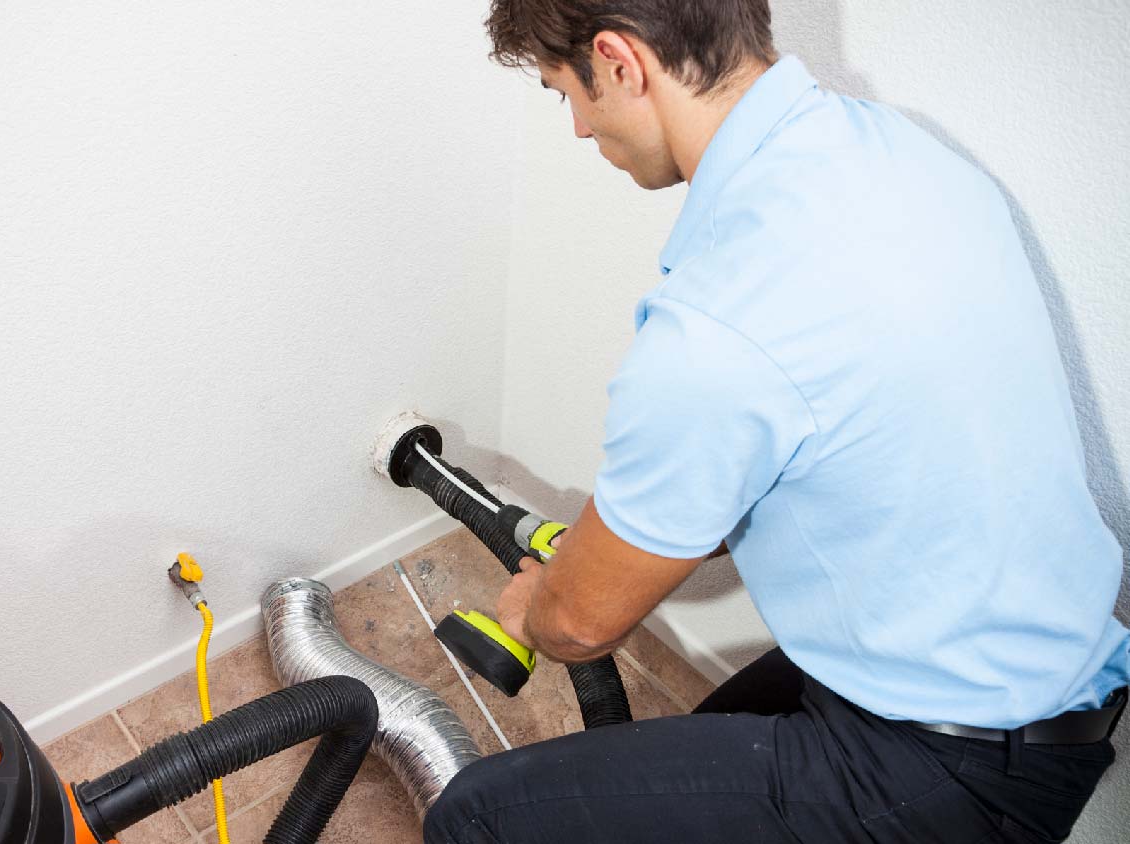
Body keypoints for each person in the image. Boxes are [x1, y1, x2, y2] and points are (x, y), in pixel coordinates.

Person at [422, 2, 1128, 842]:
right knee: (699, 738)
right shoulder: (895, 152)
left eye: (564, 92)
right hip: (1029, 675)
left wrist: (531, 610)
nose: (577, 128)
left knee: (477, 817)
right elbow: (778, 451)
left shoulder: (723, 317)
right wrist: (600, 552)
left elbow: (579, 627)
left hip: (957, 768)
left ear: (618, 61)